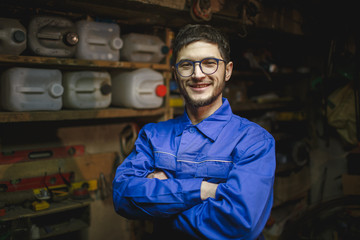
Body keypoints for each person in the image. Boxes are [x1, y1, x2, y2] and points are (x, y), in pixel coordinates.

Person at [112, 24, 276, 240]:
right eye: (187, 65)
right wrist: (205, 190)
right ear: (175, 74)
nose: (198, 75)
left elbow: (240, 223)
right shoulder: (153, 135)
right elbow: (123, 195)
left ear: (227, 71)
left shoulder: (254, 141)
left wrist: (161, 207)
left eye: (209, 63)